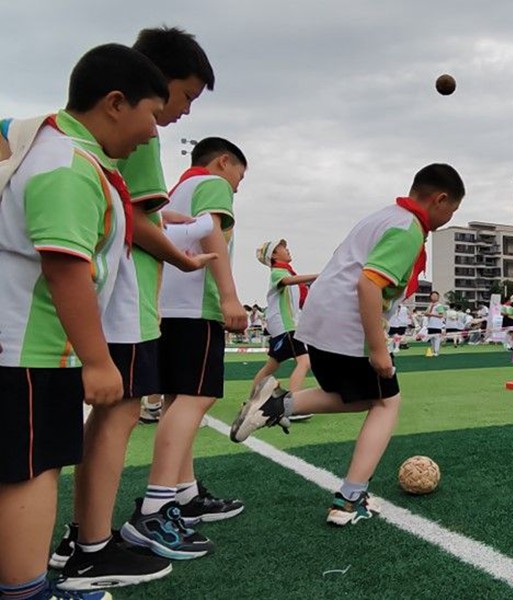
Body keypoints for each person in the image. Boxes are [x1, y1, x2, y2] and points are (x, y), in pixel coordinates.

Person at [51, 27, 224, 585]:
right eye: (183, 98)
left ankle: (85, 538)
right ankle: (91, 543)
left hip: (120, 293)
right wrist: (180, 256)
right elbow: (137, 222)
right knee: (119, 409)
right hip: (125, 295)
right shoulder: (137, 133)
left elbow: (135, 209)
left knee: (116, 410)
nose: (175, 117)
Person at [0, 43, 171, 599]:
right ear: (116, 102)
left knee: (25, 464)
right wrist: (98, 361)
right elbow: (65, 266)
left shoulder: (57, 150)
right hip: (30, 348)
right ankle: (27, 590)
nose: (152, 131)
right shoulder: (69, 165)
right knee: (32, 469)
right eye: (151, 113)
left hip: (27, 346)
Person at [229, 164, 464, 526]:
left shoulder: (384, 217)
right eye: (453, 210)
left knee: (357, 397)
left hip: (320, 319)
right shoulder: (407, 230)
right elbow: (368, 285)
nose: (450, 217)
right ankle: (350, 499)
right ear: (440, 199)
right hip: (346, 322)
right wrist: (378, 349)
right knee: (387, 401)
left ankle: (277, 405)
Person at [120, 137, 249, 560]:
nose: (237, 186)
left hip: (167, 305)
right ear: (223, 162)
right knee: (198, 396)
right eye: (239, 176)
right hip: (195, 307)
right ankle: (157, 506)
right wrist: (230, 296)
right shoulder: (212, 183)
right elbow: (213, 236)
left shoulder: (175, 189)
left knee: (178, 399)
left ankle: (184, 492)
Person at [249, 239, 317, 402]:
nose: (287, 250)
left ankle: (252, 400)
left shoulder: (286, 273)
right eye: (282, 248)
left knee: (271, 366)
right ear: (273, 255)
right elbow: (287, 282)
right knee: (304, 362)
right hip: (286, 327)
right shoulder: (278, 273)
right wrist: (318, 276)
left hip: (283, 327)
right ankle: (290, 404)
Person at [425, 291, 446, 356]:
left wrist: (431, 314)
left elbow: (441, 315)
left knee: (437, 339)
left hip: (437, 325)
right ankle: (433, 351)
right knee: (432, 339)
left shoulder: (439, 306)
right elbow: (426, 314)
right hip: (430, 325)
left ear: (438, 297)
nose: (434, 297)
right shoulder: (430, 305)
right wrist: (430, 308)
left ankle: (436, 351)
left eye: (436, 296)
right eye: (433, 296)